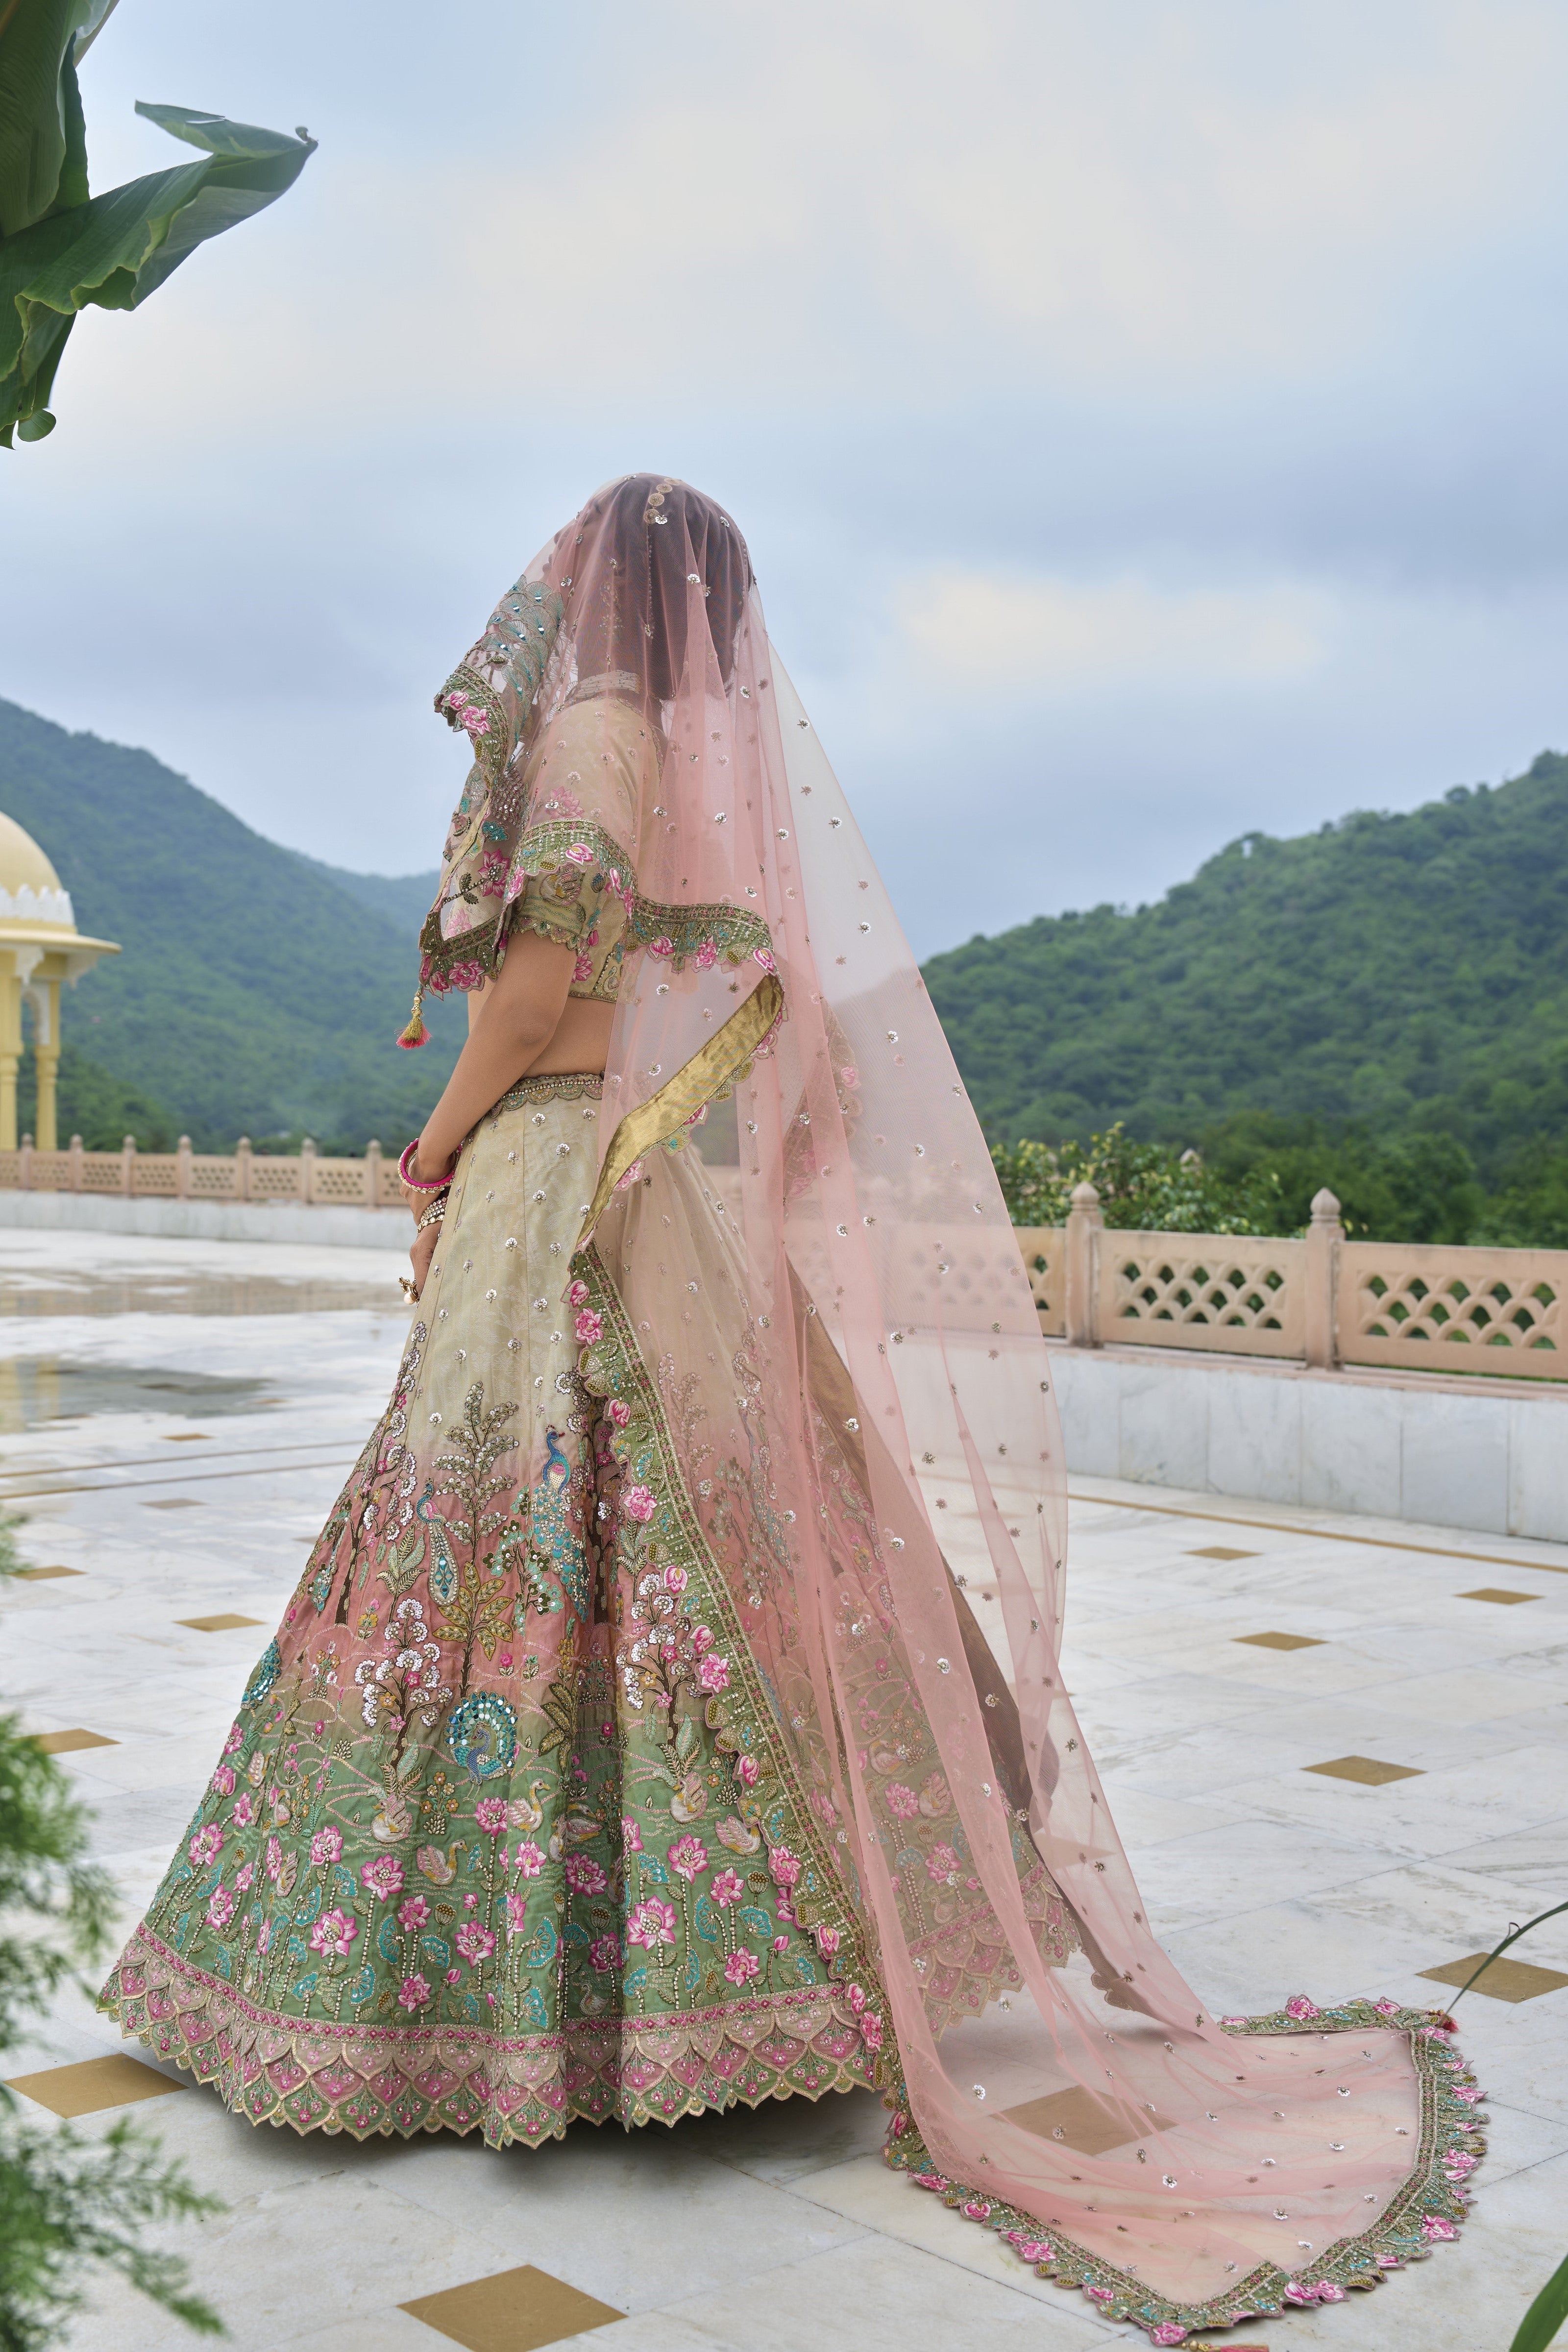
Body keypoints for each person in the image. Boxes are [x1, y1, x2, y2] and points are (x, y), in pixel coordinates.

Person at [100, 476, 1478, 2340]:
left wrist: (428, 1159)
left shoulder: (591, 737)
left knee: (496, 1538)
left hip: (552, 1187)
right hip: (653, 1188)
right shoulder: (712, 766)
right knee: (669, 1538)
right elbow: (743, 1006)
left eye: (573, 571)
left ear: (603, 593)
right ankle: (728, 1980)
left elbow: (527, 999)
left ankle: (484, 2002)